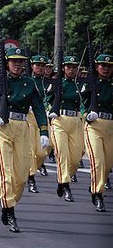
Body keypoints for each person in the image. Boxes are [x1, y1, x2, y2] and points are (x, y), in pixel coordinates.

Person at [0, 47, 49, 232]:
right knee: (6, 172)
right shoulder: (0, 81)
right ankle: (10, 211)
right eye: (14, 61)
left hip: (23, 127)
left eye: (21, 61)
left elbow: (39, 107)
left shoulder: (29, 83)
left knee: (22, 174)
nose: (17, 64)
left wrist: (44, 131)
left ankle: (7, 202)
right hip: (4, 127)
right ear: (7, 63)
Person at [47, 55, 84, 202]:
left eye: (74, 67)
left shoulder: (80, 84)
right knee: (63, 153)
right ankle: (65, 184)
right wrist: (52, 109)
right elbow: (47, 97)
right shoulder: (57, 82)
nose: (71, 70)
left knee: (75, 159)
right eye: (68, 67)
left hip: (76, 120)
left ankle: (62, 180)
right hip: (60, 120)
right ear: (63, 68)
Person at [81, 54, 113, 212]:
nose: (106, 69)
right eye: (102, 66)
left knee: (107, 165)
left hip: (110, 127)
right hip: (94, 125)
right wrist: (86, 115)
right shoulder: (90, 83)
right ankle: (97, 193)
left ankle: (97, 185)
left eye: (109, 66)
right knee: (97, 162)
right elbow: (80, 101)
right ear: (96, 67)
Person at [27, 55, 50, 192]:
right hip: (29, 116)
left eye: (42, 65)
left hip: (42, 117)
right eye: (37, 65)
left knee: (42, 153)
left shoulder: (49, 83)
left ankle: (35, 167)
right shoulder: (28, 81)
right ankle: (31, 178)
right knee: (30, 150)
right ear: (32, 66)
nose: (40, 68)